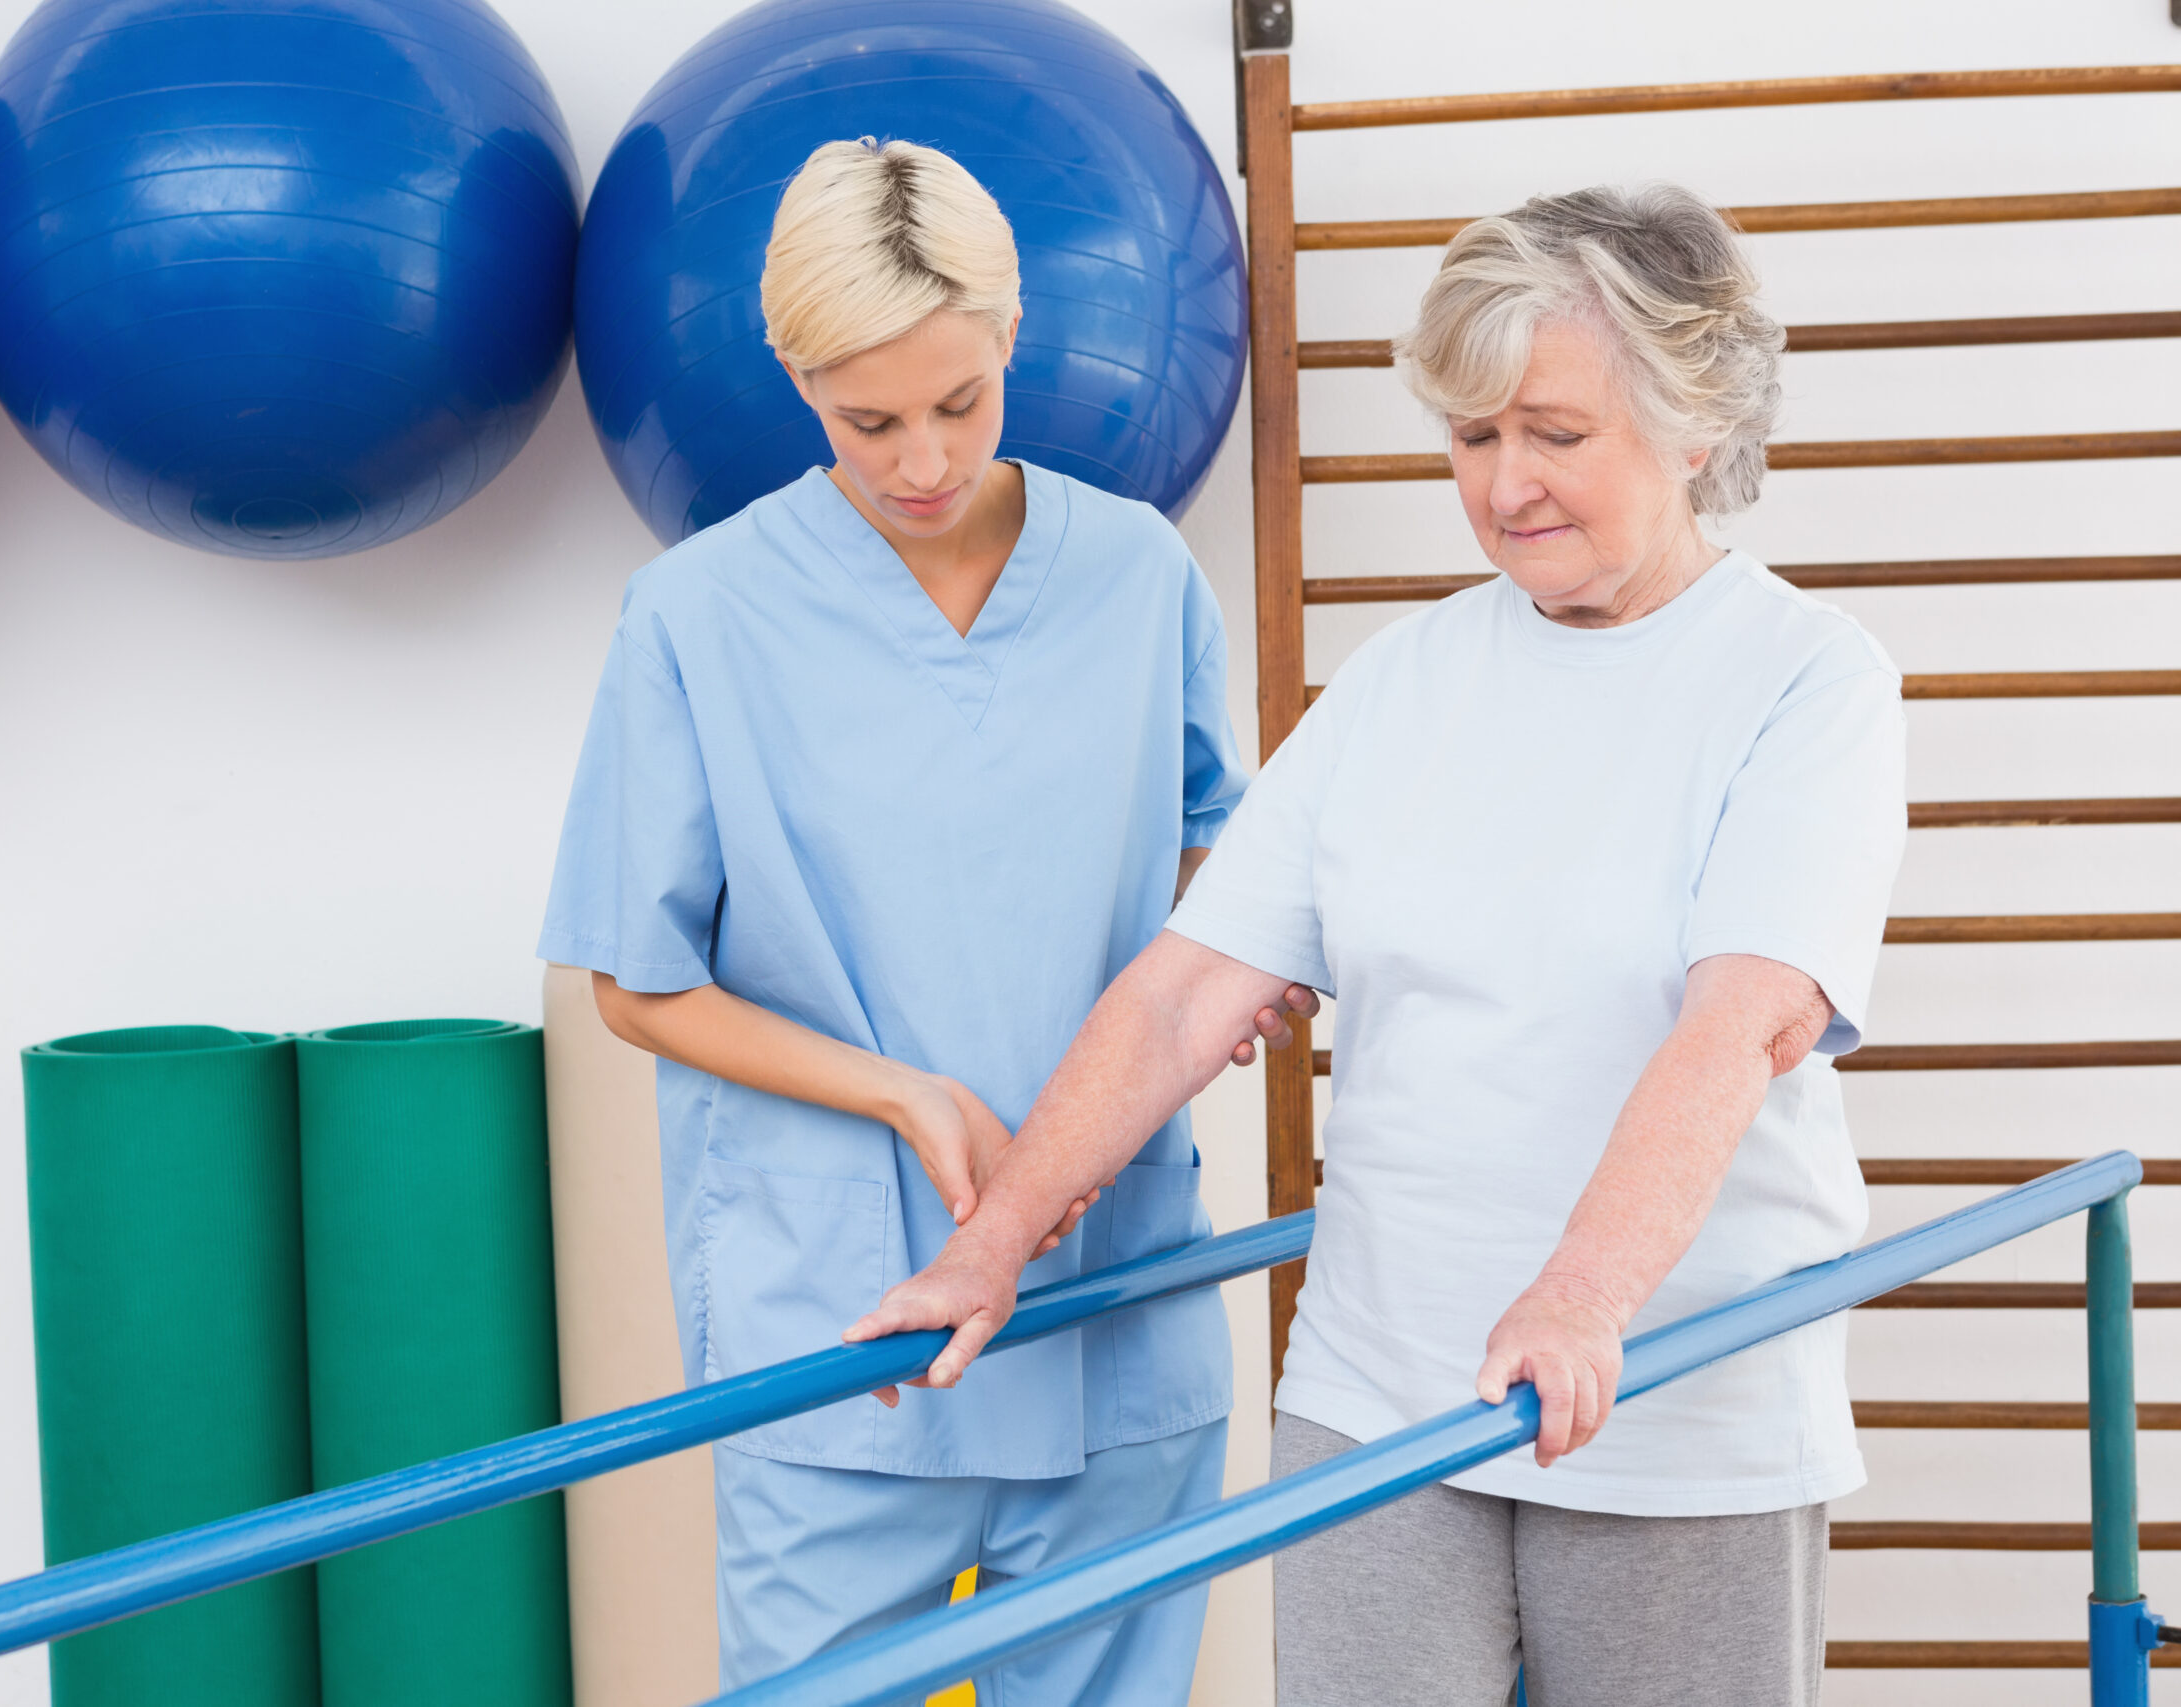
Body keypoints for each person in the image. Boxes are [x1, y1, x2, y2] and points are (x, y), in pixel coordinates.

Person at [849, 183, 1910, 1707]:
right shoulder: (1405, 680)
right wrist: (990, 1246)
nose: (1507, 485)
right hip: (1379, 1392)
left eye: (1557, 433)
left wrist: (1580, 1299)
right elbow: (1180, 997)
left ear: (1694, 427)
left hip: (1676, 1395)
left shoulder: (1806, 682)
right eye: (1475, 439)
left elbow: (1735, 1025)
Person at [539, 137, 1286, 1702]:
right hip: (840, 1318)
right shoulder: (700, 613)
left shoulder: (1141, 579)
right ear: (796, 376)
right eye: (867, 419)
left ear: (1012, 339)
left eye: (960, 402)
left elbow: (1234, 866)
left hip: (1112, 1292)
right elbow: (635, 983)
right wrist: (902, 1091)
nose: (923, 460)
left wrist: (1242, 978)